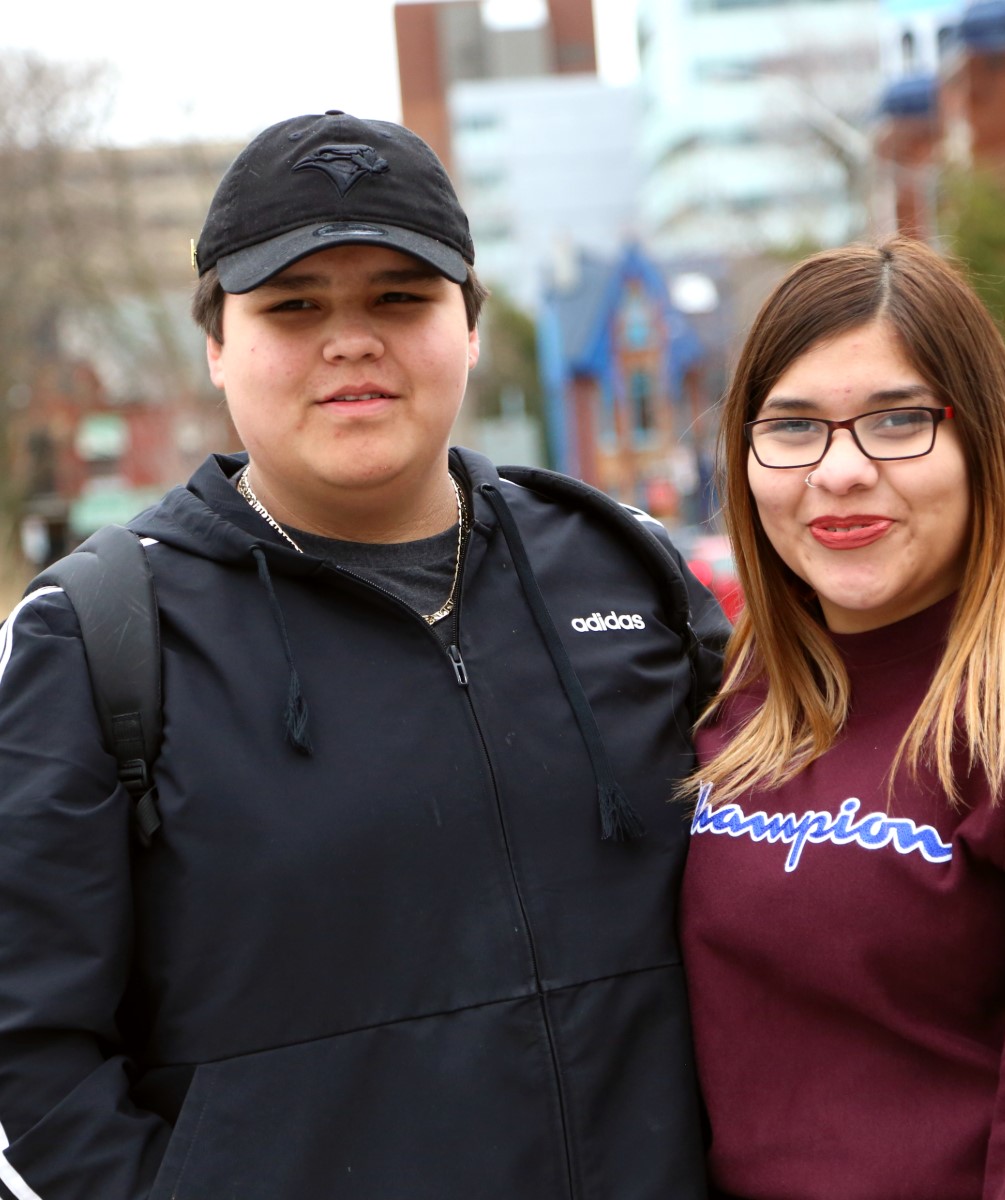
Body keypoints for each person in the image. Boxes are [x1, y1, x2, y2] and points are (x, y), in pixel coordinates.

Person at [0, 110, 728, 1200]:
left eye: (401, 296)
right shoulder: (102, 635)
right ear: (216, 343)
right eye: (294, 306)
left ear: (470, 325)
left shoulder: (625, 574)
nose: (351, 339)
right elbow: (27, 1056)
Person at [679, 236, 1005, 1199]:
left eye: (896, 421)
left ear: (982, 438)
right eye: (791, 427)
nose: (838, 471)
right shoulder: (747, 683)